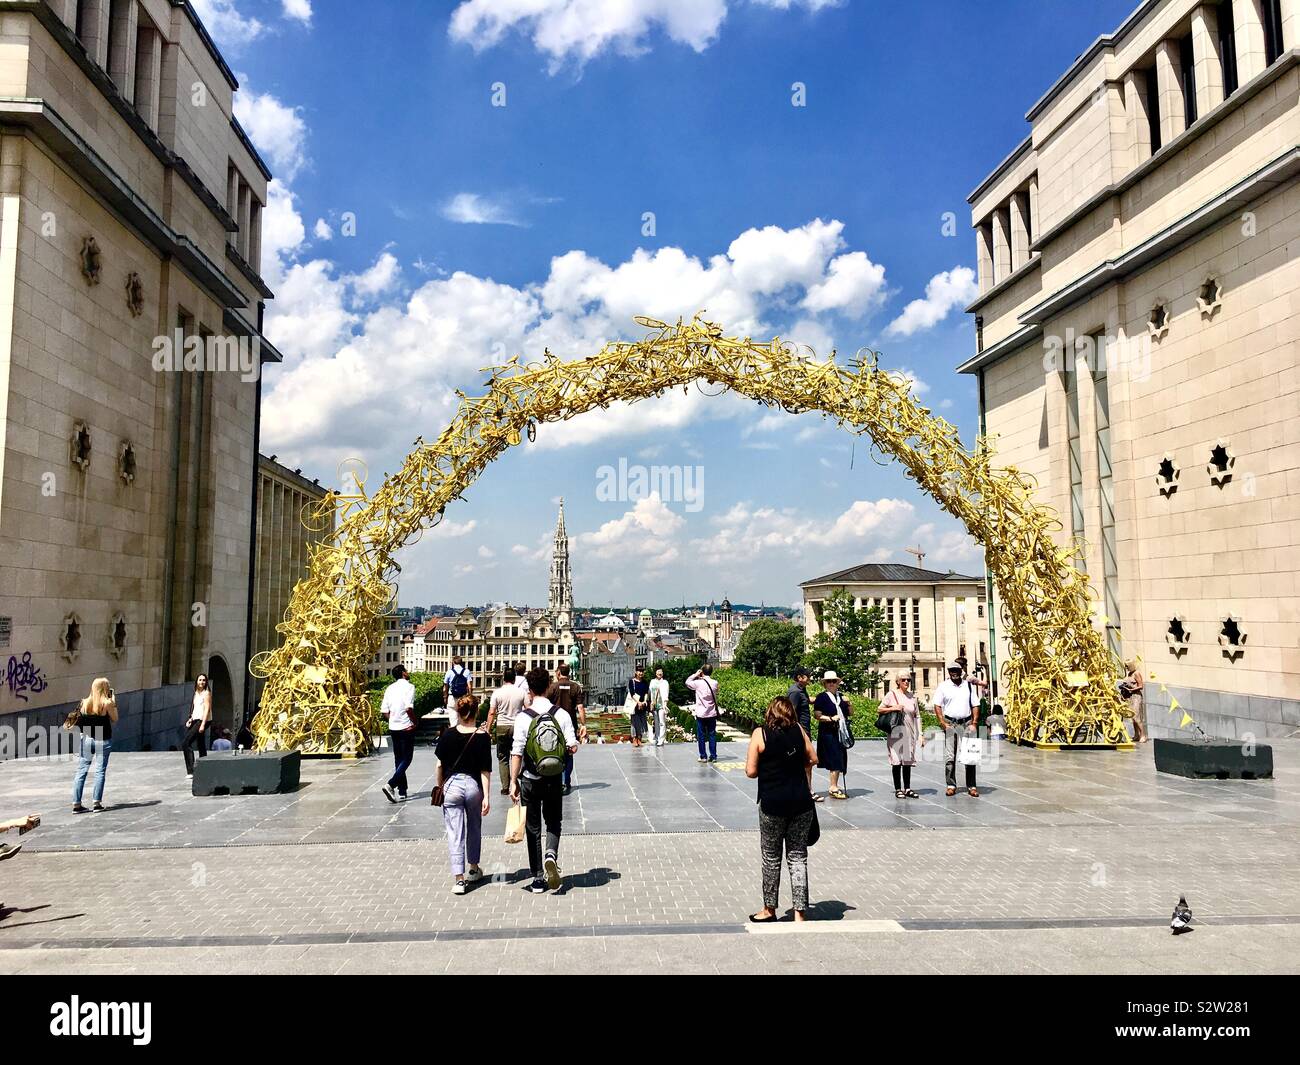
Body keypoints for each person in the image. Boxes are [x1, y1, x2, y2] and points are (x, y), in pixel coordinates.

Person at [746, 695, 817, 923]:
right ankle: (800, 913)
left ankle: (769, 909)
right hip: (801, 803)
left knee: (771, 857)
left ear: (770, 713)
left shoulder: (761, 733)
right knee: (798, 857)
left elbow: (750, 771)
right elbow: (813, 758)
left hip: (772, 804)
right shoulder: (798, 730)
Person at [509, 666, 578, 893]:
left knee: (533, 827)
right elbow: (572, 746)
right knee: (554, 821)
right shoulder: (561, 714)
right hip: (553, 778)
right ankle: (551, 854)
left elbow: (516, 752)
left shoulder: (523, 718)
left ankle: (538, 878)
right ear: (549, 686)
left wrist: (512, 781)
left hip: (530, 778)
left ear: (529, 689)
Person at [435, 694, 493, 895]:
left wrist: (440, 786)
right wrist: (486, 796)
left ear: (458, 713)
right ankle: (474, 868)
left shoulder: (448, 735)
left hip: (451, 786)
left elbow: (439, 765)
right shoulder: (483, 737)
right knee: (474, 828)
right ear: (477, 712)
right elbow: (485, 770)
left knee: (455, 833)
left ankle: (459, 880)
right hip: (473, 787)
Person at [69, 678, 118, 811]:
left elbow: (72, 721)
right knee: (100, 770)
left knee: (81, 770)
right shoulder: (107, 703)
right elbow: (115, 718)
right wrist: (113, 703)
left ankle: (76, 804)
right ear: (105, 689)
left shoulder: (84, 703)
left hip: (86, 739)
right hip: (102, 739)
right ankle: (96, 803)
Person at [934, 663, 980, 797]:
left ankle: (971, 785)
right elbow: (937, 705)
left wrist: (975, 723)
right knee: (950, 755)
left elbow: (975, 704)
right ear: (948, 672)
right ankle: (951, 784)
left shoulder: (968, 686)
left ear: (961, 671)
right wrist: (942, 722)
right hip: (950, 723)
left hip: (966, 722)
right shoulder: (943, 686)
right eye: (951, 671)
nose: (953, 673)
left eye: (956, 670)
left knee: (970, 755)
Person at [546, 664, 586, 795]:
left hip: (554, 723)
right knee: (569, 752)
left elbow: (545, 705)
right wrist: (583, 724)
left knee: (555, 751)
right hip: (570, 723)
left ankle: (557, 779)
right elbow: (580, 707)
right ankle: (566, 780)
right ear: (568, 673)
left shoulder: (553, 687)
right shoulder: (575, 687)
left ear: (558, 673)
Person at [380, 665, 418, 803]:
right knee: (407, 758)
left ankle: (402, 790)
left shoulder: (390, 688)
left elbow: (384, 711)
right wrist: (415, 722)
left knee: (399, 758)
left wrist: (394, 718)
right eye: (406, 670)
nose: (408, 673)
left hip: (393, 726)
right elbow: (409, 708)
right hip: (406, 726)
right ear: (403, 673)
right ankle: (391, 784)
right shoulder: (409, 687)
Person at [486, 668, 526, 795]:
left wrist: (488, 729)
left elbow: (492, 712)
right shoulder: (521, 692)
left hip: (502, 726)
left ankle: (505, 786)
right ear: (514, 678)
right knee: (518, 753)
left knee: (503, 757)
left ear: (504, 678)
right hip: (517, 726)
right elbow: (528, 708)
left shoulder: (497, 693)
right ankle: (517, 777)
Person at [881, 675, 922, 798]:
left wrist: (920, 734)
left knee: (907, 762)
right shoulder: (891, 694)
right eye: (903, 680)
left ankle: (907, 788)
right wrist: (894, 707)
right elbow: (880, 709)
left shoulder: (912, 697)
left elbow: (917, 716)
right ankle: (898, 788)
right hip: (895, 732)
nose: (906, 682)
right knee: (896, 761)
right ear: (898, 681)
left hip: (909, 733)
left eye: (908, 680)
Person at [813, 671, 851, 800]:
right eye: (828, 682)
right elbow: (817, 715)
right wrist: (831, 718)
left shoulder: (842, 697)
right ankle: (833, 787)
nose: (831, 684)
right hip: (828, 732)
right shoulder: (821, 697)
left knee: (840, 758)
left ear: (837, 683)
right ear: (824, 684)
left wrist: (849, 703)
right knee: (835, 758)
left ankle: (834, 785)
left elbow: (850, 713)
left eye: (833, 681)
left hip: (840, 731)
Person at [786, 666, 815, 797]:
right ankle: (807, 790)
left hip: (805, 729)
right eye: (807, 676)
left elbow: (808, 701)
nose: (810, 678)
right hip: (800, 731)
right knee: (807, 760)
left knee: (806, 761)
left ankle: (807, 788)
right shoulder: (795, 692)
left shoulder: (802, 689)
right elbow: (790, 712)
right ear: (800, 678)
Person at [686, 665, 720, 763]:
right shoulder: (715, 683)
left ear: (702, 672)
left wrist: (696, 674)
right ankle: (713, 756)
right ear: (711, 672)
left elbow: (687, 682)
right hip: (712, 713)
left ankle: (703, 756)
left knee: (701, 735)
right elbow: (717, 691)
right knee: (712, 734)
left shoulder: (698, 683)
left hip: (701, 713)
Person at [181, 674, 211, 776]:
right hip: (195, 719)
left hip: (202, 720)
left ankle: (191, 771)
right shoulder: (196, 693)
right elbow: (194, 708)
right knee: (200, 743)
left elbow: (207, 709)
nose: (201, 682)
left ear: (206, 682)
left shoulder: (206, 694)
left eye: (203, 680)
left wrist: (203, 724)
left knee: (186, 742)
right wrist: (190, 719)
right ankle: (204, 767)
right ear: (197, 682)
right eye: (200, 680)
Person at [1122, 660, 1147, 743]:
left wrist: (1132, 689)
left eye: (1127, 666)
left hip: (1136, 696)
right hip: (1130, 696)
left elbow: (1141, 686)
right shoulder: (1129, 674)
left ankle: (1143, 735)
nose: (1126, 668)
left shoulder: (1136, 673)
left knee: (1137, 717)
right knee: (1132, 717)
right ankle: (1136, 734)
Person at [627, 666, 651, 747]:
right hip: (634, 704)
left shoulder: (645, 682)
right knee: (634, 722)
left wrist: (644, 701)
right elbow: (632, 693)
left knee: (641, 722)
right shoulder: (632, 682)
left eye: (642, 671)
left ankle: (639, 738)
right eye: (639, 671)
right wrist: (638, 702)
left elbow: (646, 693)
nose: (641, 673)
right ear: (636, 672)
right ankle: (634, 739)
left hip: (642, 705)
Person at [648, 667, 670, 747]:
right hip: (654, 704)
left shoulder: (665, 682)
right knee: (656, 722)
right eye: (658, 672)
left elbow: (666, 693)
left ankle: (661, 739)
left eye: (661, 672)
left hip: (661, 705)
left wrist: (665, 703)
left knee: (662, 722)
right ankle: (657, 737)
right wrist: (650, 702)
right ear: (655, 673)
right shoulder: (652, 681)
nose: (659, 674)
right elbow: (650, 692)